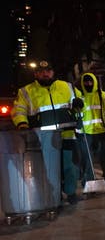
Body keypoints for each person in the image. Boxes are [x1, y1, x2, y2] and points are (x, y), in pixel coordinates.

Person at [11, 61, 84, 205]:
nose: (46, 73)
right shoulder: (26, 91)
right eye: (42, 71)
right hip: (44, 137)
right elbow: (19, 110)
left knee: (70, 166)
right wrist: (22, 123)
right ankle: (55, 196)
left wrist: (79, 104)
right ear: (36, 74)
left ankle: (70, 193)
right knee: (51, 169)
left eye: (48, 71)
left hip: (67, 134)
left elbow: (80, 100)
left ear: (53, 72)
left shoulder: (66, 86)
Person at [77, 72, 105, 192]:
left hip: (103, 132)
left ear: (95, 82)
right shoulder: (80, 98)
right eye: (86, 82)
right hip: (86, 133)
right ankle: (89, 185)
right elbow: (76, 115)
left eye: (90, 81)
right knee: (87, 161)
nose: (88, 84)